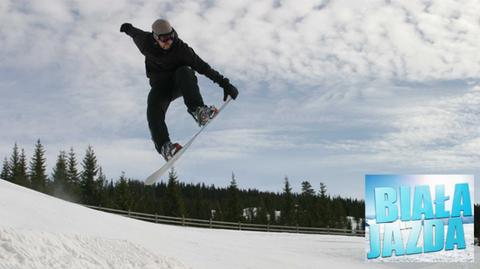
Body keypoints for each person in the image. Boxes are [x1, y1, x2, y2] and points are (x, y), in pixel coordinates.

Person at [120, 19, 239, 161]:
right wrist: (128, 29)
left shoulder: (181, 49)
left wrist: (225, 84)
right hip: (161, 87)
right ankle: (164, 146)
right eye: (164, 39)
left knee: (184, 71)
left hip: (180, 83)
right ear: (155, 37)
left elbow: (203, 68)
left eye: (171, 38)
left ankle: (198, 111)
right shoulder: (145, 42)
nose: (168, 42)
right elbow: (135, 33)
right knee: (153, 105)